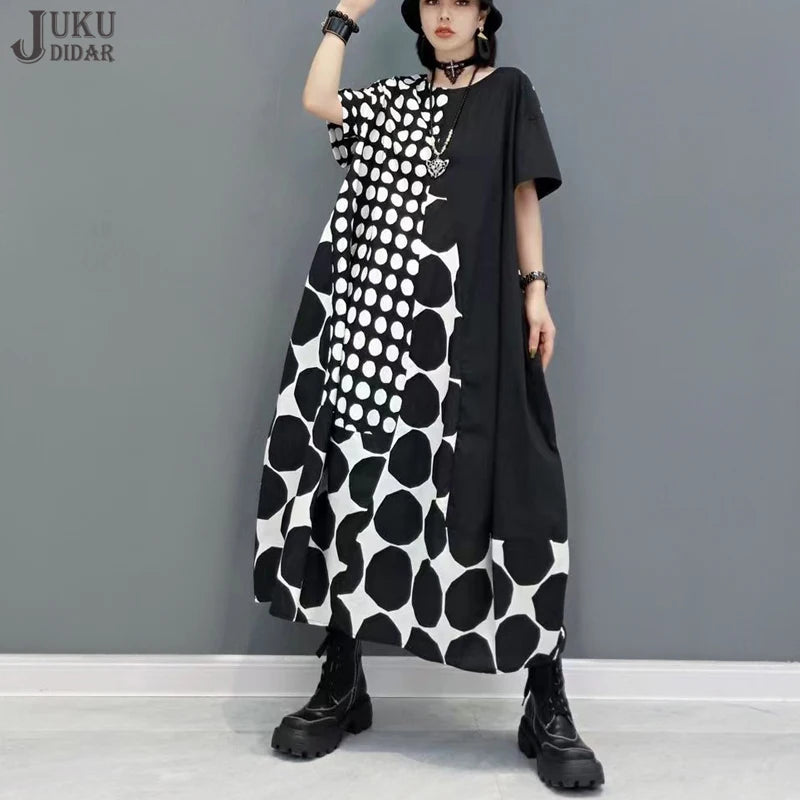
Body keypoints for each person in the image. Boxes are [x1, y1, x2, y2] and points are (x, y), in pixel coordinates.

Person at [254, 0, 604, 789]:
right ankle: (342, 676)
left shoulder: (509, 90)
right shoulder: (392, 102)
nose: (444, 13)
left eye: (460, 1)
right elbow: (318, 99)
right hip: (374, 325)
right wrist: (345, 13)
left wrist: (536, 290)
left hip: (472, 319)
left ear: (484, 15)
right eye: (431, 2)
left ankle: (544, 697)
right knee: (355, 482)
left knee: (517, 484)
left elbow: (522, 191)